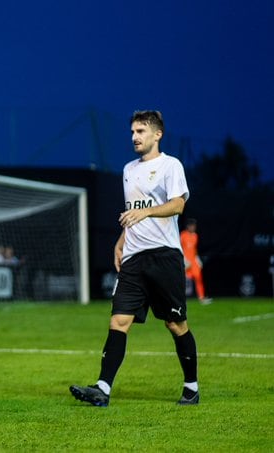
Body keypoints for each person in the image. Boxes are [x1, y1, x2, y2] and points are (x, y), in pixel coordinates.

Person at [69, 110, 200, 407]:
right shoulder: (128, 169)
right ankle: (102, 388)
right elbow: (134, 211)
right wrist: (121, 240)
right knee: (118, 320)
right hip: (133, 259)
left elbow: (178, 205)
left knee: (175, 324)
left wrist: (146, 212)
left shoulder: (171, 165)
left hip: (164, 257)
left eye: (140, 131)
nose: (134, 137)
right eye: (132, 132)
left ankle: (191, 387)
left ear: (157, 134)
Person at [180, 218, 212, 304]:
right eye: (192, 226)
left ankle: (201, 298)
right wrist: (183, 259)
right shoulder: (183, 235)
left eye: (194, 226)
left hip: (193, 261)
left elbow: (194, 249)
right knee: (181, 280)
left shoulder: (195, 236)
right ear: (188, 226)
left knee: (199, 278)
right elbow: (180, 248)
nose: (194, 227)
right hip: (186, 261)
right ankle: (180, 299)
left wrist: (197, 259)